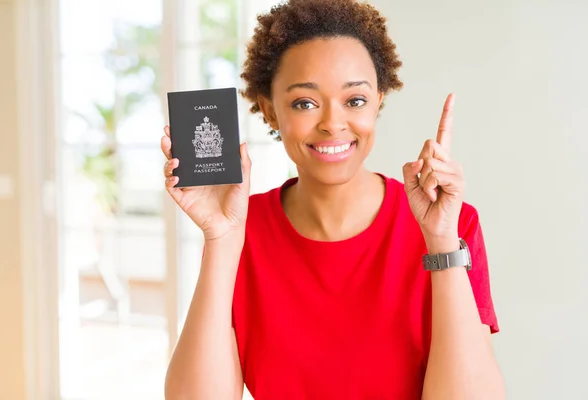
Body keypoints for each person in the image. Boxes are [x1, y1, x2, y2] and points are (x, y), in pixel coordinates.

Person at [162, 0, 505, 398]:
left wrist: (441, 242)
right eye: (304, 103)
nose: (332, 123)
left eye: (355, 100)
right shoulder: (238, 231)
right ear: (271, 112)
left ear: (379, 101)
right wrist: (221, 240)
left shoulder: (451, 226)